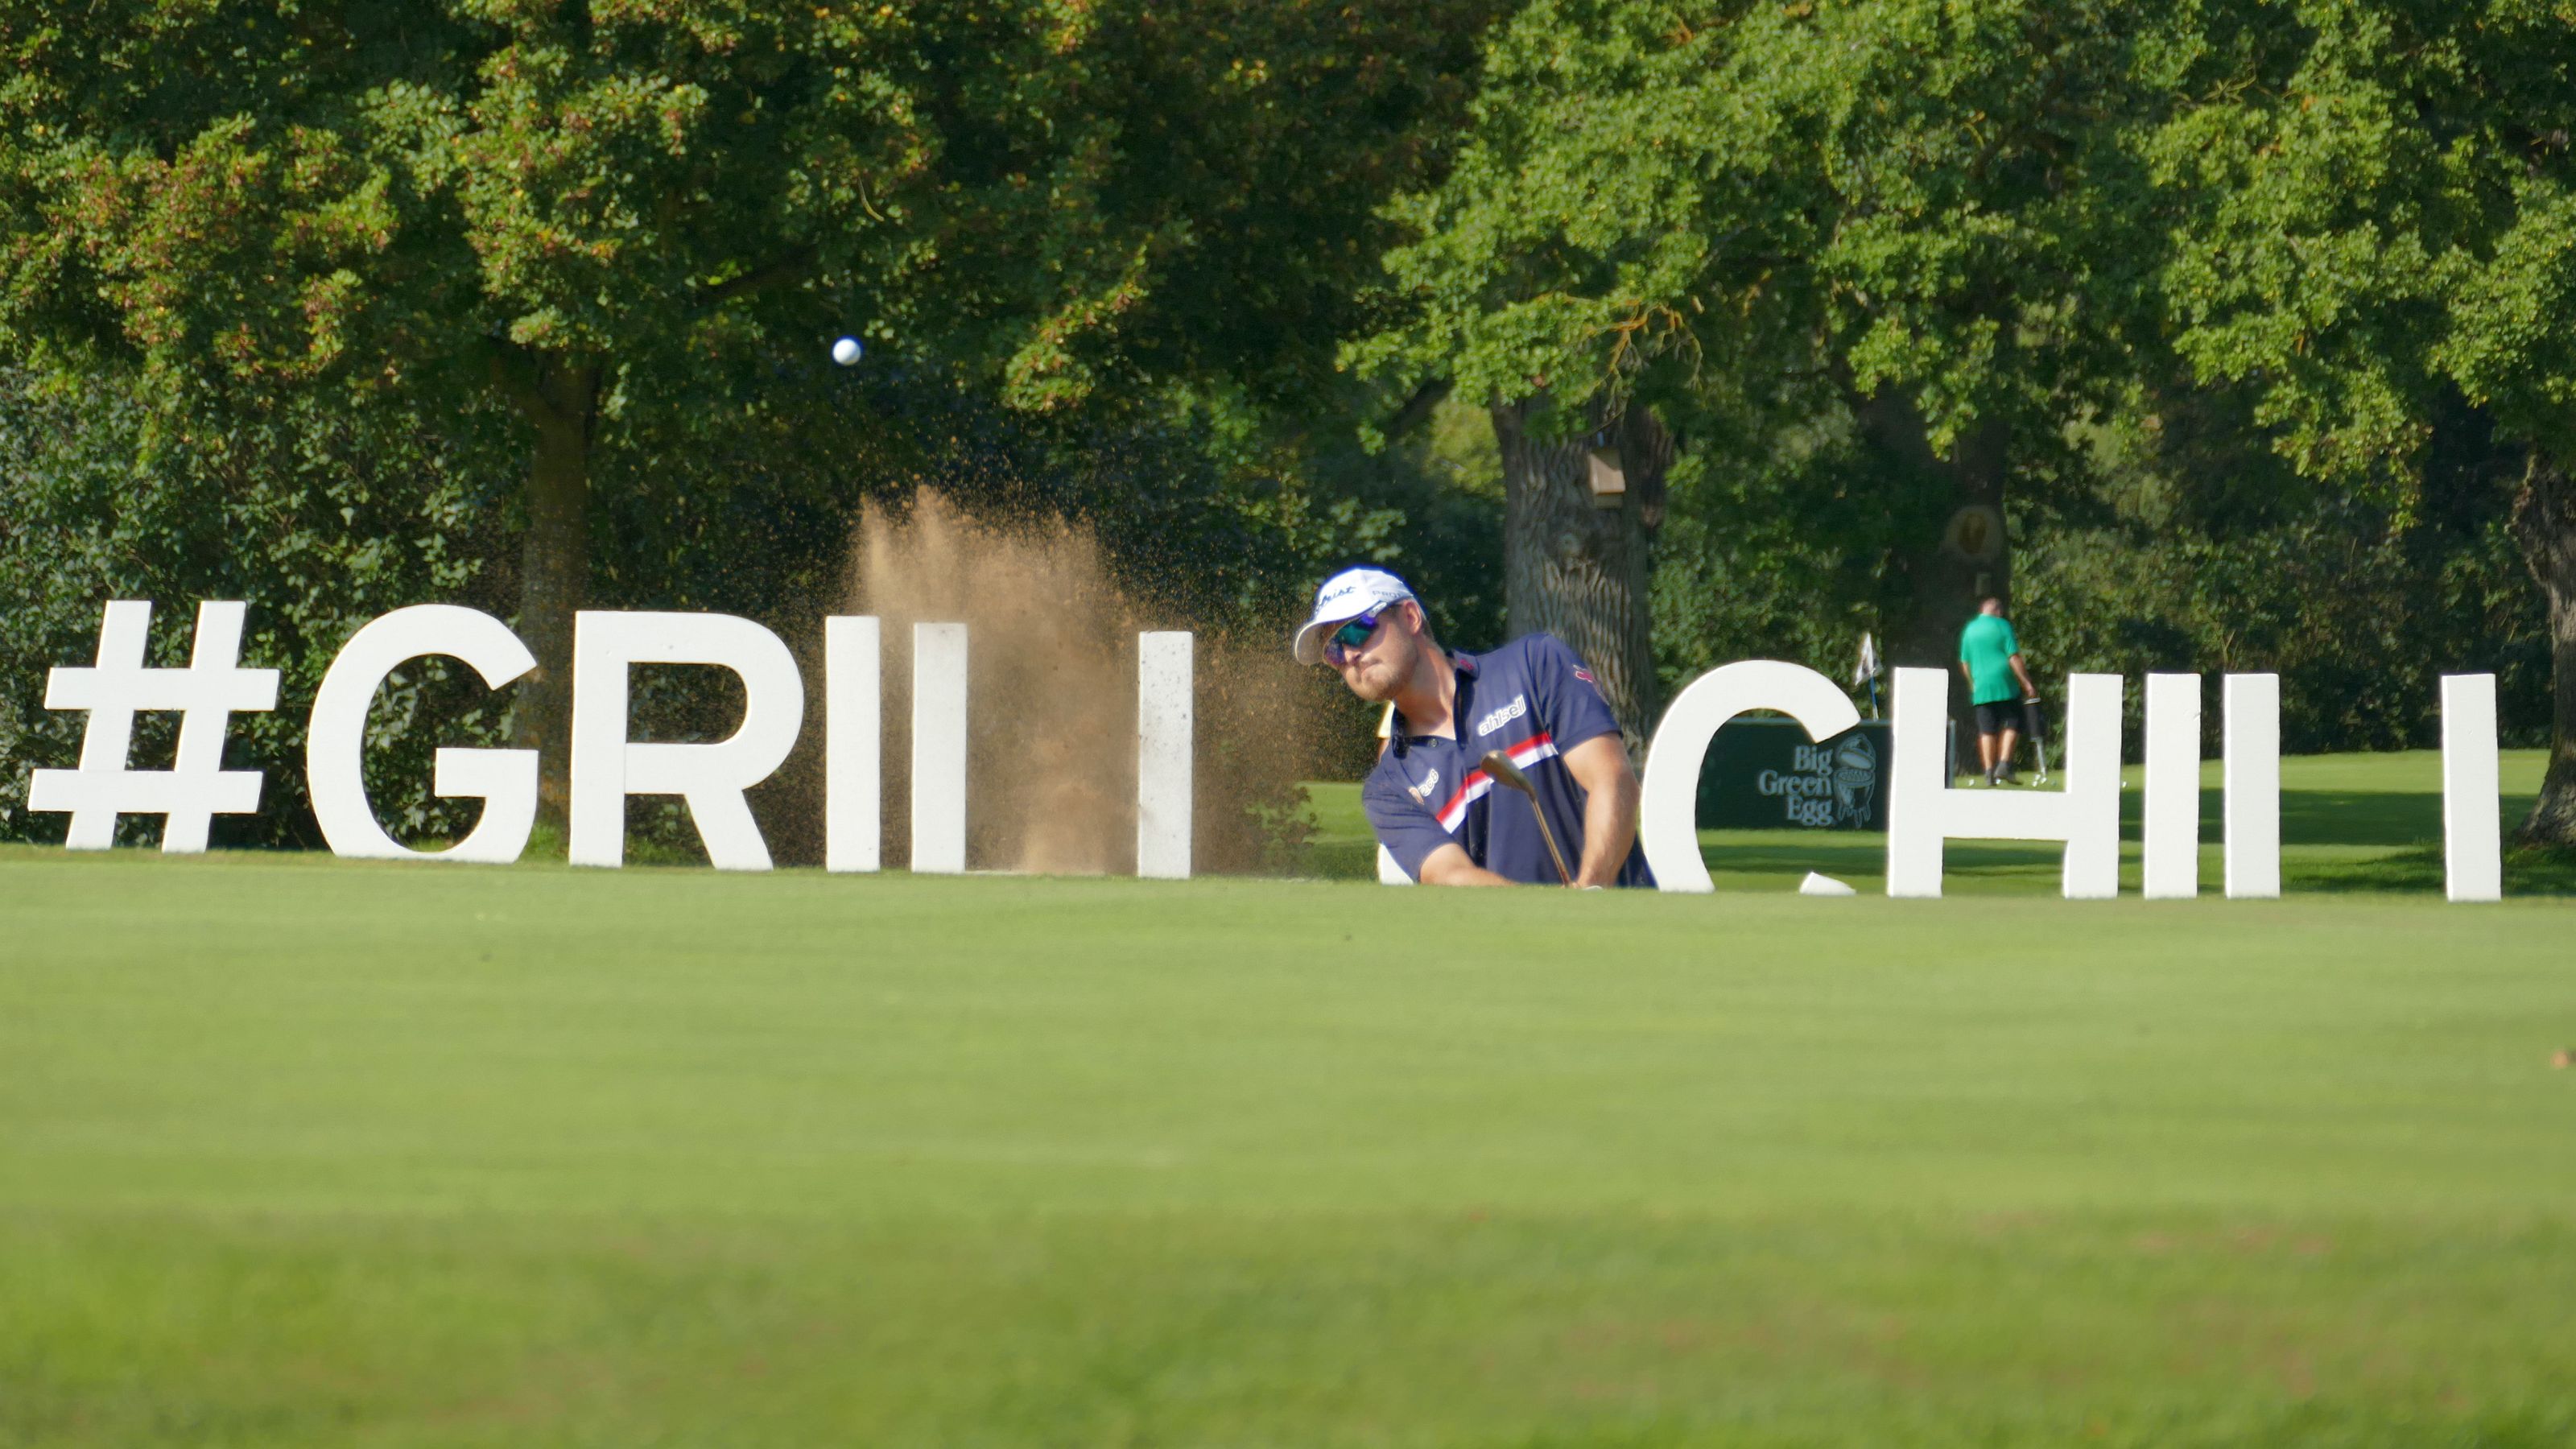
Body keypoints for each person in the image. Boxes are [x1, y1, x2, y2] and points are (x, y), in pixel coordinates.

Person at [1292, 566, 1652, 887]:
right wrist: (1552, 920)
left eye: (1358, 631)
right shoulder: (1387, 788)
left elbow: (1612, 779)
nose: (1350, 656)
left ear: (1411, 617)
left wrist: (1592, 892)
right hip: (1524, 954)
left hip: (1630, 933)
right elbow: (1452, 876)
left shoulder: (1535, 665)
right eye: (1334, 651)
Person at [1957, 597, 2039, 786]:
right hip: (2005, 684)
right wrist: (2027, 682)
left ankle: (1988, 772)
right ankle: (2003, 765)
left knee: (1987, 730)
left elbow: (1965, 662)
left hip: (1981, 687)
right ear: (1998, 611)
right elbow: (2013, 657)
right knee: (2014, 722)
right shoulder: (2002, 626)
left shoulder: (1969, 629)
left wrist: (1972, 683)